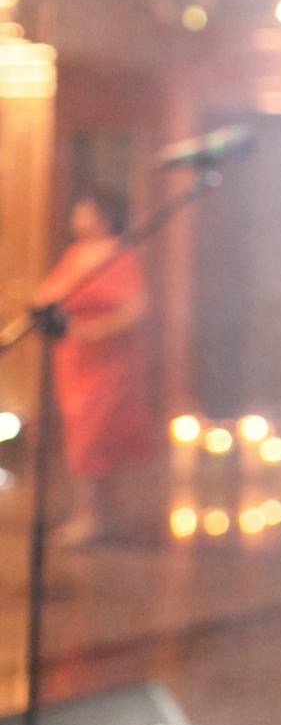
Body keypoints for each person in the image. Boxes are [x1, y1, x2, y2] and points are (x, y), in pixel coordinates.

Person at [31, 189, 154, 545]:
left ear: (103, 216)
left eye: (84, 212)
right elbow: (50, 295)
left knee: (95, 435)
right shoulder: (75, 254)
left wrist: (95, 330)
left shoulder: (117, 255)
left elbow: (135, 307)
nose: (77, 219)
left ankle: (94, 515)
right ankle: (95, 513)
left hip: (108, 360)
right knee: (80, 434)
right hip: (74, 359)